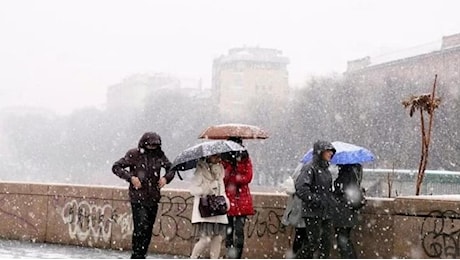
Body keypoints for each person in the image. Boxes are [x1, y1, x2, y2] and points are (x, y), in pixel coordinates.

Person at [112, 132, 174, 259]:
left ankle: (142, 254)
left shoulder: (159, 155)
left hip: (153, 197)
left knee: (148, 229)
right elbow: (116, 167)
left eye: (154, 146)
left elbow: (171, 168)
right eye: (150, 146)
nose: (152, 148)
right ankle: (137, 255)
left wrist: (166, 179)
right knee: (140, 227)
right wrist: (131, 178)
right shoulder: (134, 154)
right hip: (138, 197)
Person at [294, 140, 336, 259]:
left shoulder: (326, 171)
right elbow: (301, 188)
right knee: (314, 243)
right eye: (328, 151)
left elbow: (327, 191)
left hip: (326, 212)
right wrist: (316, 200)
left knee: (326, 244)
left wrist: (330, 201)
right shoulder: (309, 168)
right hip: (313, 213)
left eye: (331, 151)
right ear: (320, 152)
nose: (330, 154)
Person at [190, 154, 229, 259]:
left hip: (218, 208)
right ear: (208, 157)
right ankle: (193, 257)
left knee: (218, 238)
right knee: (205, 239)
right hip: (206, 208)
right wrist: (206, 190)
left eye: (219, 157)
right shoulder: (201, 170)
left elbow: (223, 190)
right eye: (215, 157)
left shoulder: (220, 171)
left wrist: (225, 201)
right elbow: (193, 189)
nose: (218, 159)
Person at [221, 137, 255, 259]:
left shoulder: (245, 159)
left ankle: (237, 256)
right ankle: (230, 256)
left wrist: (239, 164)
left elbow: (247, 177)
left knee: (239, 231)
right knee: (228, 232)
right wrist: (231, 165)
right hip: (229, 200)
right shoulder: (224, 160)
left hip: (241, 200)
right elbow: (223, 179)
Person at [333, 164, 366, 258]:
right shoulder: (355, 173)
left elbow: (341, 191)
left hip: (343, 212)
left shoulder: (346, 174)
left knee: (342, 240)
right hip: (349, 212)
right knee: (345, 239)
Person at [280, 163, 307, 258]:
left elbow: (291, 201)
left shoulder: (300, 170)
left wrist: (285, 220)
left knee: (299, 238)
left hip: (299, 214)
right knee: (305, 240)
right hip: (306, 213)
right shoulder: (309, 172)